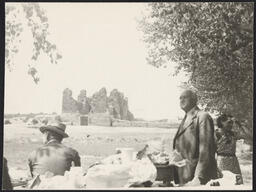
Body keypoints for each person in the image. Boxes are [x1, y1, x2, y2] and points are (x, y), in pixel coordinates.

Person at [173, 90, 218, 186]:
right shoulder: (186, 118)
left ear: (194, 99)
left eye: (185, 97)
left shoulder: (202, 117)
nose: (181, 100)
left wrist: (199, 176)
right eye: (180, 98)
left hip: (197, 178)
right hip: (184, 174)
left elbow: (206, 149)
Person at [215, 114, 244, 184]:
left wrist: (240, 124)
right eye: (229, 122)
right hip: (221, 162)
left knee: (237, 184)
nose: (231, 125)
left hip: (234, 162)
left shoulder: (233, 134)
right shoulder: (216, 134)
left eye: (232, 123)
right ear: (222, 122)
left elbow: (248, 135)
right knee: (223, 183)